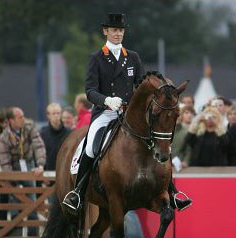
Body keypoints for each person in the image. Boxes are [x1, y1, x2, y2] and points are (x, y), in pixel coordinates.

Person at [63, 13, 192, 212]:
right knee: (90, 146)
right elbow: (90, 91)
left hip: (129, 115)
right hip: (105, 113)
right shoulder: (96, 58)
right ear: (105, 31)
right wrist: (106, 100)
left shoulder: (132, 57)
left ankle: (173, 193)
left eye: (121, 31)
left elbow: (140, 86)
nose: (118, 34)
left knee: (157, 143)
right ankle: (78, 193)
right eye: (114, 30)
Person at [0, 107, 46, 238]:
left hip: (29, 166)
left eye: (23, 116)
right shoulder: (3, 138)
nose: (23, 119)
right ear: (11, 120)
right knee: (15, 203)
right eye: (20, 117)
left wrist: (40, 165)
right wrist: (12, 179)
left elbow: (38, 146)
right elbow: (4, 161)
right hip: (13, 168)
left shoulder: (29, 127)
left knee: (32, 202)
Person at [40, 103, 72, 171]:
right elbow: (40, 154)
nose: (56, 116)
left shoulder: (70, 133)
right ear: (48, 115)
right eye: (54, 113)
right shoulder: (42, 133)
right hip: (47, 173)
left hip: (64, 171)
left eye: (58, 113)